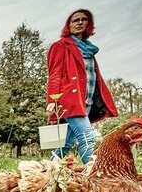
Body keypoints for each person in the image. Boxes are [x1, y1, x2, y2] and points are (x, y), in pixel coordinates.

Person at [45, 9, 117, 163]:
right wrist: (52, 99)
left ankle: (46, 174)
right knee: (87, 137)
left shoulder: (88, 50)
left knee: (66, 144)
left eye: (83, 19)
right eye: (74, 20)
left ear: (88, 24)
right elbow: (54, 74)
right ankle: (93, 176)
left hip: (86, 101)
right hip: (69, 100)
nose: (79, 23)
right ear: (68, 25)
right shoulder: (60, 46)